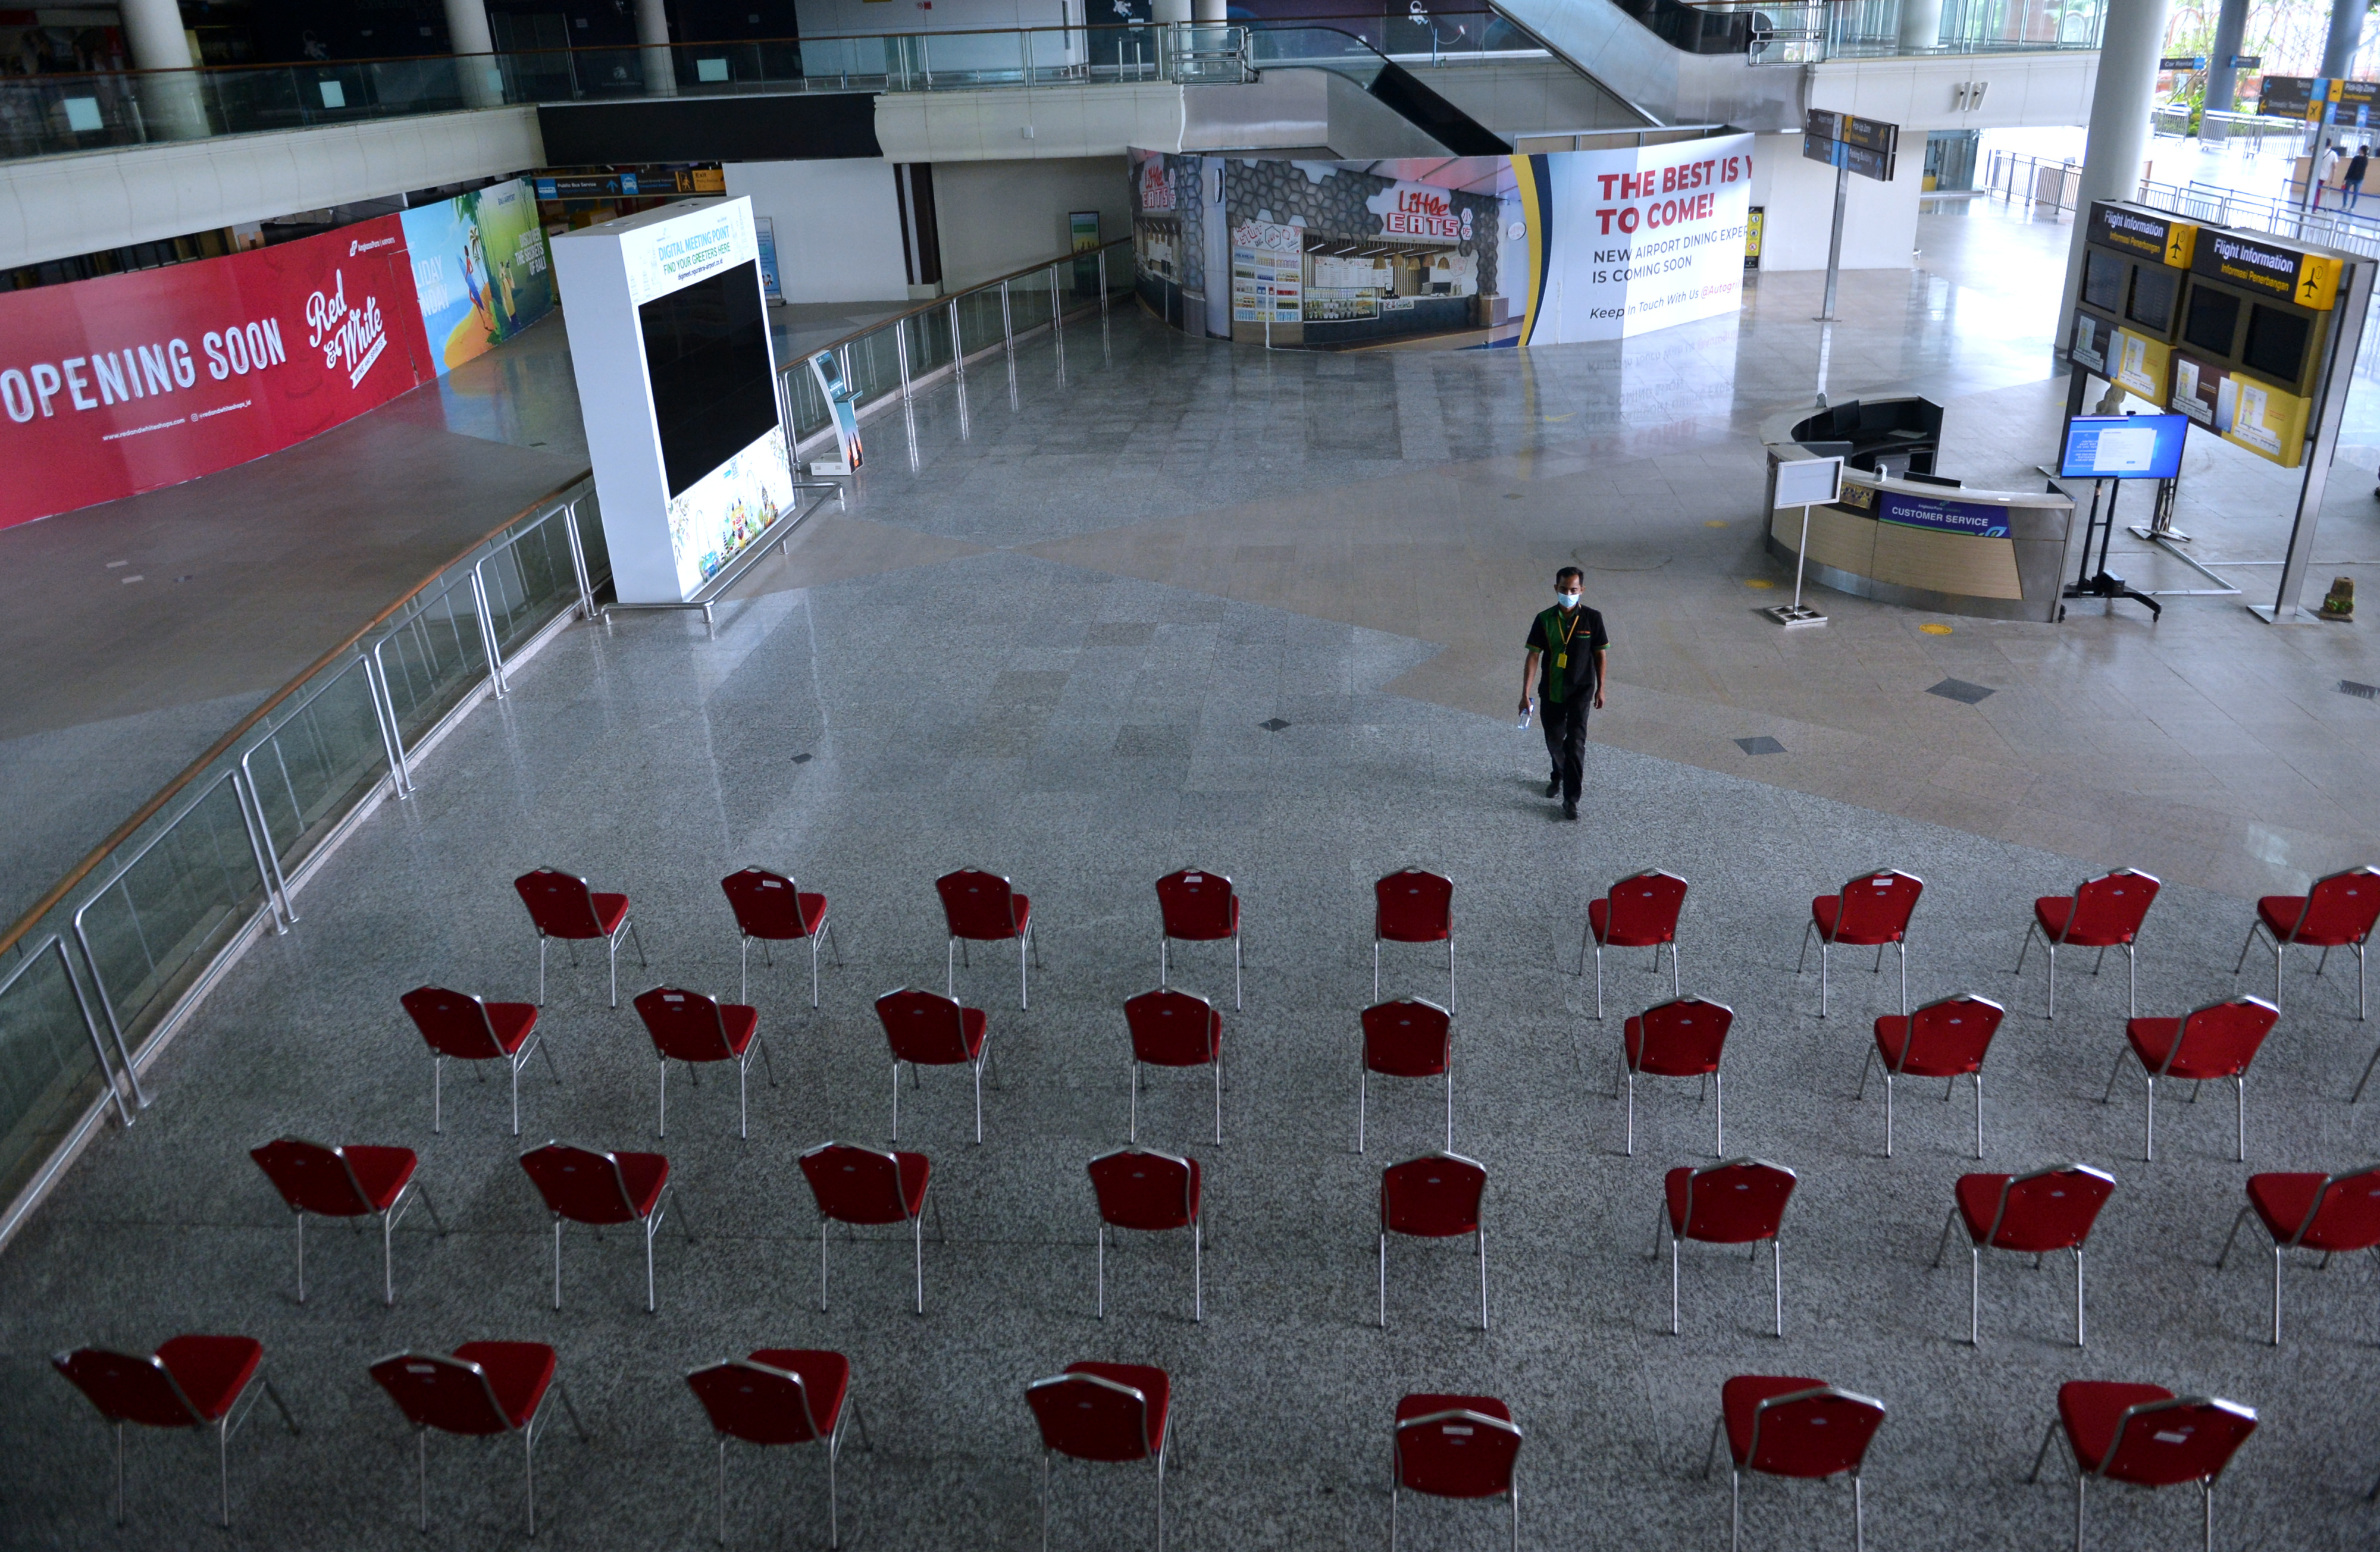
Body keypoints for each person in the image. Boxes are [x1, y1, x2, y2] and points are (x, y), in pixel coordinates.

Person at [1519, 566, 1609, 820]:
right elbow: (1533, 656)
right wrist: (1525, 693)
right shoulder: (1545, 619)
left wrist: (1601, 687)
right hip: (1552, 690)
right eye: (1563, 590)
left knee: (1576, 744)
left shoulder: (1593, 618)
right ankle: (1558, 773)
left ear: (1582, 590)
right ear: (1555, 589)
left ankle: (1571, 800)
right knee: (1554, 739)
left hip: (1581, 691)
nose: (1568, 594)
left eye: (1573, 590)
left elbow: (1600, 654)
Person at [2348, 145, 2372, 212]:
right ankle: (2350, 207)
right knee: (2354, 193)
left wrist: (2347, 177)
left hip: (2355, 178)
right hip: (2359, 178)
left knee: (2353, 192)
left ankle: (2349, 206)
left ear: (2362, 150)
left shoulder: (2359, 159)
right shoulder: (2365, 159)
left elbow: (2352, 168)